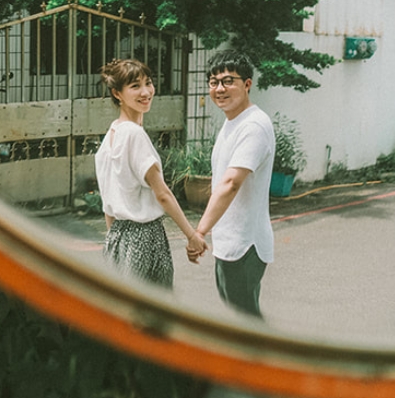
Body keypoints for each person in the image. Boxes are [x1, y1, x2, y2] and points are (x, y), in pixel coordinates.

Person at [95, 58, 207, 287]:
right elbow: (163, 194)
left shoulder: (111, 136)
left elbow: (108, 201)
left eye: (149, 83)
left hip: (116, 237)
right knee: (152, 312)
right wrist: (191, 236)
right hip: (145, 237)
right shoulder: (134, 136)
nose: (146, 91)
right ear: (118, 94)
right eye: (135, 86)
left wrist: (114, 241)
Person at [189, 51, 276, 317]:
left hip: (245, 243)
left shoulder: (254, 126)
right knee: (238, 317)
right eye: (214, 82)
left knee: (245, 323)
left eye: (228, 81)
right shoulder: (232, 123)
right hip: (229, 241)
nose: (219, 89)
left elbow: (230, 183)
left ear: (247, 84)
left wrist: (199, 232)